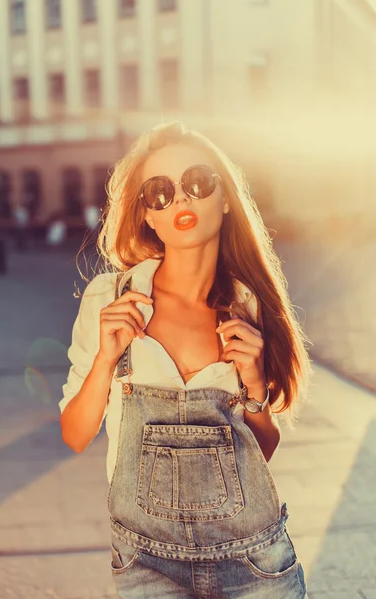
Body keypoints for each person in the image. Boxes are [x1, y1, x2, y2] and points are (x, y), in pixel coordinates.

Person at [59, 121, 311, 598]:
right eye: (159, 192)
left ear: (225, 198)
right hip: (146, 564)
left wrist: (254, 386)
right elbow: (74, 434)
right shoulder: (108, 300)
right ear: (146, 217)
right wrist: (105, 361)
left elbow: (262, 455)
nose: (181, 200)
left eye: (197, 182)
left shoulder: (249, 305)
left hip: (256, 562)